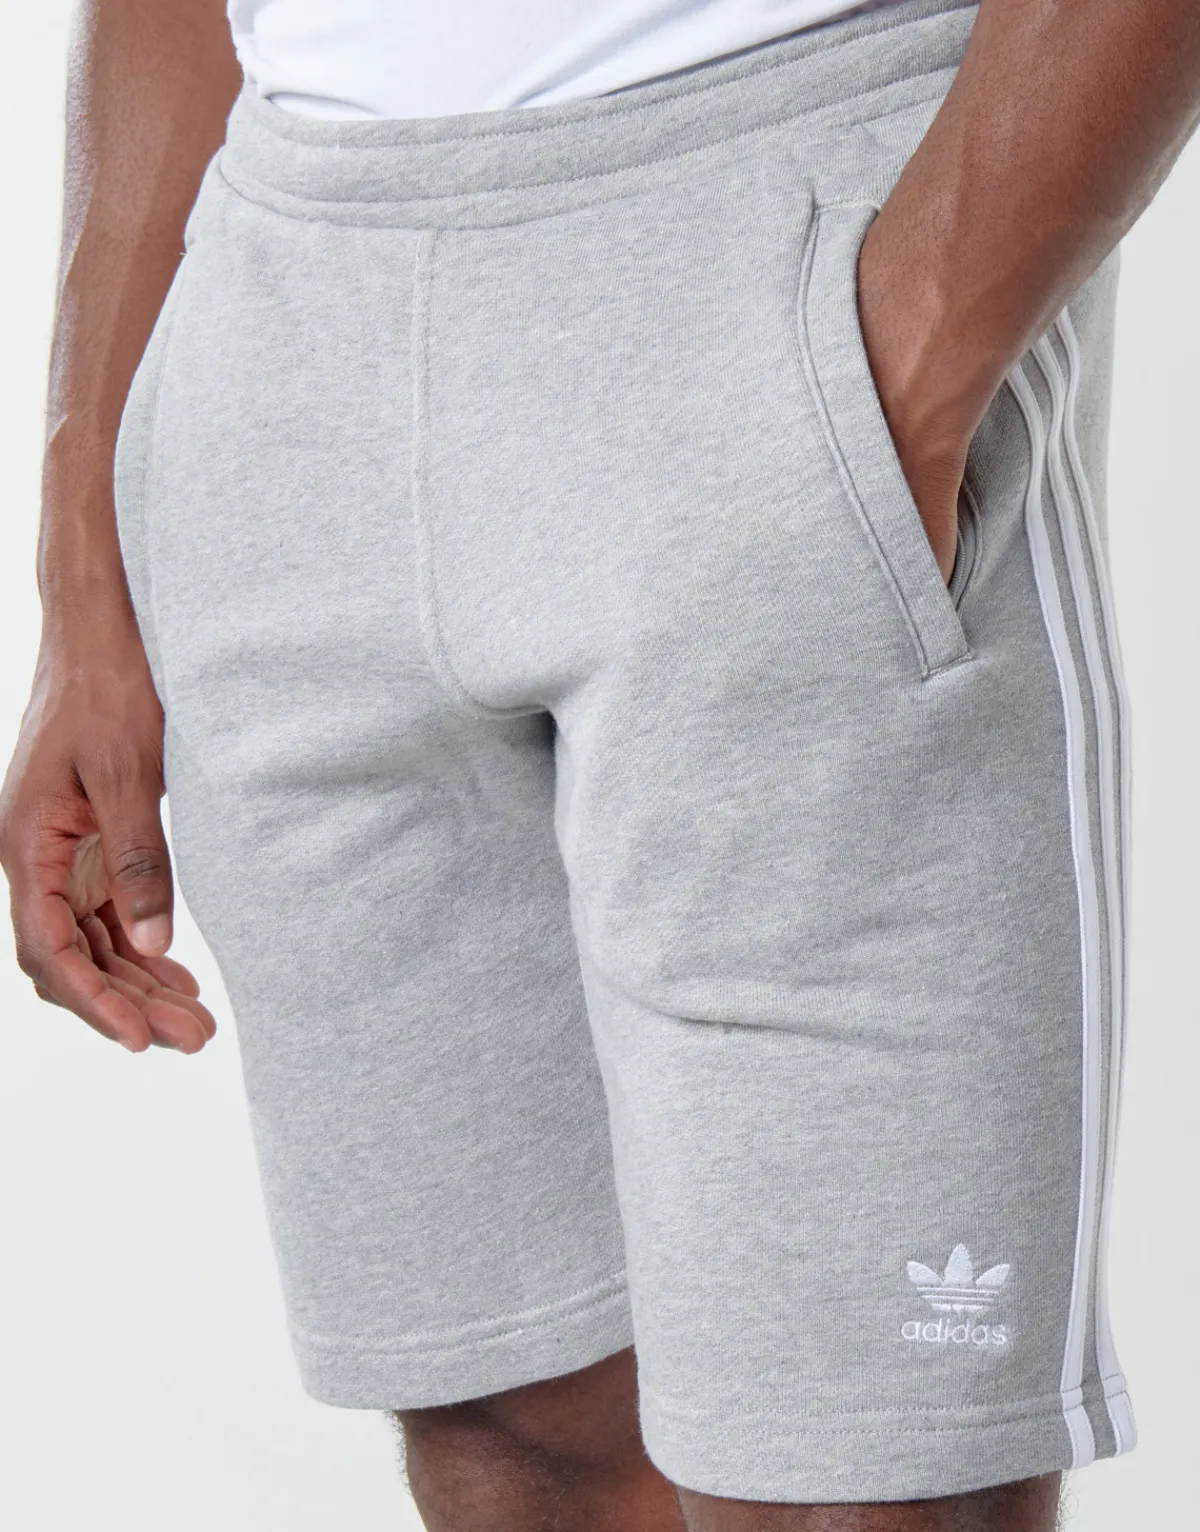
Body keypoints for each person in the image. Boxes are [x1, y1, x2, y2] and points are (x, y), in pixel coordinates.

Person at [2, 0, 1198, 1526]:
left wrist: (899, 367)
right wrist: (84, 575)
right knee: (519, 1426)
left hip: (783, 220)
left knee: (868, 1474)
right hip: (284, 325)